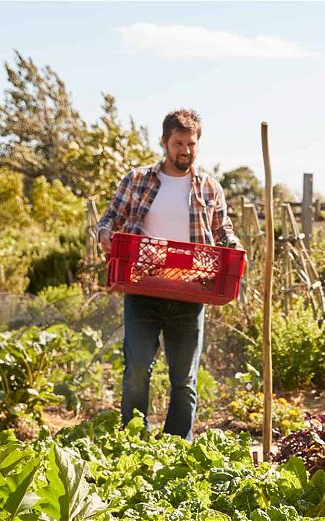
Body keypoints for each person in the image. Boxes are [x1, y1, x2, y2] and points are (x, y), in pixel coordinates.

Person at [96, 108, 240, 441]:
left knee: (184, 378)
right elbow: (109, 220)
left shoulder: (209, 187)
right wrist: (105, 235)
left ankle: (177, 448)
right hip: (143, 287)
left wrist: (232, 243)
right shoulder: (137, 180)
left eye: (191, 144)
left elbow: (223, 230)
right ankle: (134, 440)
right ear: (164, 142)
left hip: (191, 291)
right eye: (178, 143)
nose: (185, 150)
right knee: (135, 370)